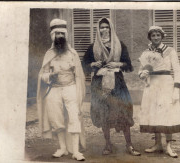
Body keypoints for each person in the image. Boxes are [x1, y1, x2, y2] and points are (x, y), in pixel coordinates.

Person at [83, 17, 140, 156]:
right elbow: (84, 63)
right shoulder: (93, 47)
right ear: (98, 29)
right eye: (101, 27)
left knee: (123, 112)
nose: (104, 30)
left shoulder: (119, 45)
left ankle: (129, 145)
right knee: (104, 113)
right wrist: (92, 64)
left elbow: (128, 64)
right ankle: (108, 145)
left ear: (111, 28)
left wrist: (118, 64)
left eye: (106, 27)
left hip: (117, 83)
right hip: (100, 83)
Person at [36, 19, 86, 161]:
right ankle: (63, 148)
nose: (59, 36)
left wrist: (78, 92)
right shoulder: (49, 54)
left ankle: (76, 151)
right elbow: (43, 74)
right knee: (56, 117)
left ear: (65, 35)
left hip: (70, 87)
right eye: (57, 33)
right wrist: (50, 75)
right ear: (53, 35)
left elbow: (79, 75)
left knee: (73, 116)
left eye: (62, 33)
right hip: (54, 89)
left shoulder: (72, 53)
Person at [138, 26, 180, 158]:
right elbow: (140, 70)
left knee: (167, 113)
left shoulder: (170, 51)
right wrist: (142, 74)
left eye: (158, 35)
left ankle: (169, 145)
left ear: (162, 36)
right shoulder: (146, 53)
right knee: (154, 113)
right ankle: (158, 143)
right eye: (153, 35)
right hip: (152, 84)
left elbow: (177, 70)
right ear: (150, 37)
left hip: (166, 84)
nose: (156, 38)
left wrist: (176, 89)